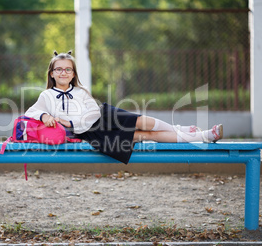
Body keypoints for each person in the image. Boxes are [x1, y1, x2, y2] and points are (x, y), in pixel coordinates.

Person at [25, 50, 223, 164]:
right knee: (142, 134)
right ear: (51, 73)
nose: (63, 72)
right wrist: (44, 116)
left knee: (142, 121)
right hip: (91, 135)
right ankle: (203, 136)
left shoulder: (81, 91)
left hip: (103, 117)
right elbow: (31, 112)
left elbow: (93, 113)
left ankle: (179, 129)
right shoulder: (47, 95)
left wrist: (69, 121)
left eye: (68, 69)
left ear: (73, 74)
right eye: (58, 69)